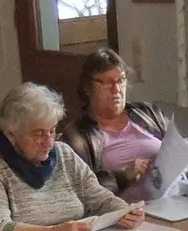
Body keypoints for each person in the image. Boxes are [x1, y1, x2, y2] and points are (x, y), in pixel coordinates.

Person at [0, 83, 142, 231]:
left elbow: (100, 198)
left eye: (52, 131)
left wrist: (123, 211)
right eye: (38, 134)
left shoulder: (64, 154)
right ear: (11, 135)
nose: (49, 142)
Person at [62, 48, 173, 201]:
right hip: (127, 213)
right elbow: (82, 192)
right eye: (108, 82)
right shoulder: (78, 135)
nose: (116, 89)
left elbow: (176, 148)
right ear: (87, 87)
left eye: (121, 80)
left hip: (175, 199)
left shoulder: (148, 112)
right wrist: (123, 175)